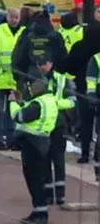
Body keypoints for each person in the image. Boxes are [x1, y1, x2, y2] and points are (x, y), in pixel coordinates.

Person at [9, 79, 59, 224]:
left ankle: (40, 214)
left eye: (31, 88)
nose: (30, 90)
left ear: (37, 89)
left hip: (32, 144)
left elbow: (20, 117)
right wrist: (22, 102)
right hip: (43, 143)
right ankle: (39, 211)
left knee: (33, 179)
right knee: (38, 179)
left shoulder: (38, 103)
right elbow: (32, 113)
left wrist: (12, 102)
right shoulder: (49, 100)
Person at [37, 57, 76, 205]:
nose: (41, 67)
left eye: (44, 64)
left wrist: (54, 104)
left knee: (58, 159)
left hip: (58, 124)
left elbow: (72, 101)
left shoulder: (62, 80)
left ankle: (60, 195)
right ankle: (48, 194)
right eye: (39, 64)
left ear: (51, 64)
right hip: (42, 125)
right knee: (44, 159)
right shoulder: (34, 79)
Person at [66, 6, 100, 162]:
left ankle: (85, 154)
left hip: (82, 88)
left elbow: (69, 66)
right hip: (98, 90)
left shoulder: (79, 46)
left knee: (86, 123)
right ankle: (98, 154)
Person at [12, 8, 68, 95]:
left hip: (29, 81)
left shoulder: (26, 34)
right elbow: (63, 61)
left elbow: (17, 58)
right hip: (52, 80)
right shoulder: (55, 36)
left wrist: (19, 78)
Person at [0, 8, 25, 149]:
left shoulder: (24, 32)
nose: (14, 20)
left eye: (17, 17)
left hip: (16, 79)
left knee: (14, 110)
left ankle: (12, 139)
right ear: (7, 16)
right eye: (12, 17)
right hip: (0, 78)